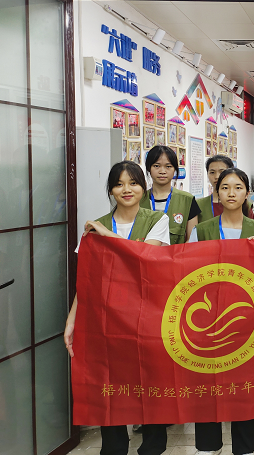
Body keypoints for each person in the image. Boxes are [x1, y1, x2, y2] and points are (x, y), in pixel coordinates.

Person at [64, 161, 170, 455]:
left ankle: (152, 447)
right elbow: (87, 280)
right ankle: (113, 448)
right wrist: (72, 321)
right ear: (110, 190)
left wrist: (105, 235)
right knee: (109, 383)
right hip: (106, 318)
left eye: (133, 183)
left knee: (149, 382)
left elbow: (144, 257)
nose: (126, 189)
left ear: (143, 187)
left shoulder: (157, 219)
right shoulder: (95, 225)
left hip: (147, 315)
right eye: (119, 184)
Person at [188, 168, 254, 455]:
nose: (231, 193)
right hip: (206, 319)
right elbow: (187, 272)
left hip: (247, 320)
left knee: (244, 386)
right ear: (217, 192)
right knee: (206, 382)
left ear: (247, 193)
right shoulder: (201, 231)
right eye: (225, 187)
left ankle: (244, 448)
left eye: (238, 187)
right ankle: (207, 445)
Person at [140, 145, 201, 244]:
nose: (162, 171)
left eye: (168, 166)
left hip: (177, 254)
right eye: (156, 166)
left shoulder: (187, 200)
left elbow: (192, 240)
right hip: (144, 253)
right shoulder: (139, 199)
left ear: (174, 170)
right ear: (148, 168)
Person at [196, 155, 233, 223]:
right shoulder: (198, 205)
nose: (217, 177)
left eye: (222, 172)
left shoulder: (243, 205)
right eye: (212, 172)